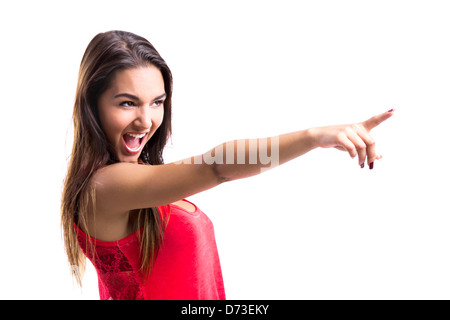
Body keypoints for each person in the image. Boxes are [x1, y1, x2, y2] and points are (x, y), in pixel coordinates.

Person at [61, 30, 394, 300]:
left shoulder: (141, 182)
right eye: (127, 103)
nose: (146, 120)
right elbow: (216, 167)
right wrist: (313, 137)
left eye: (157, 102)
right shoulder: (104, 187)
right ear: (93, 104)